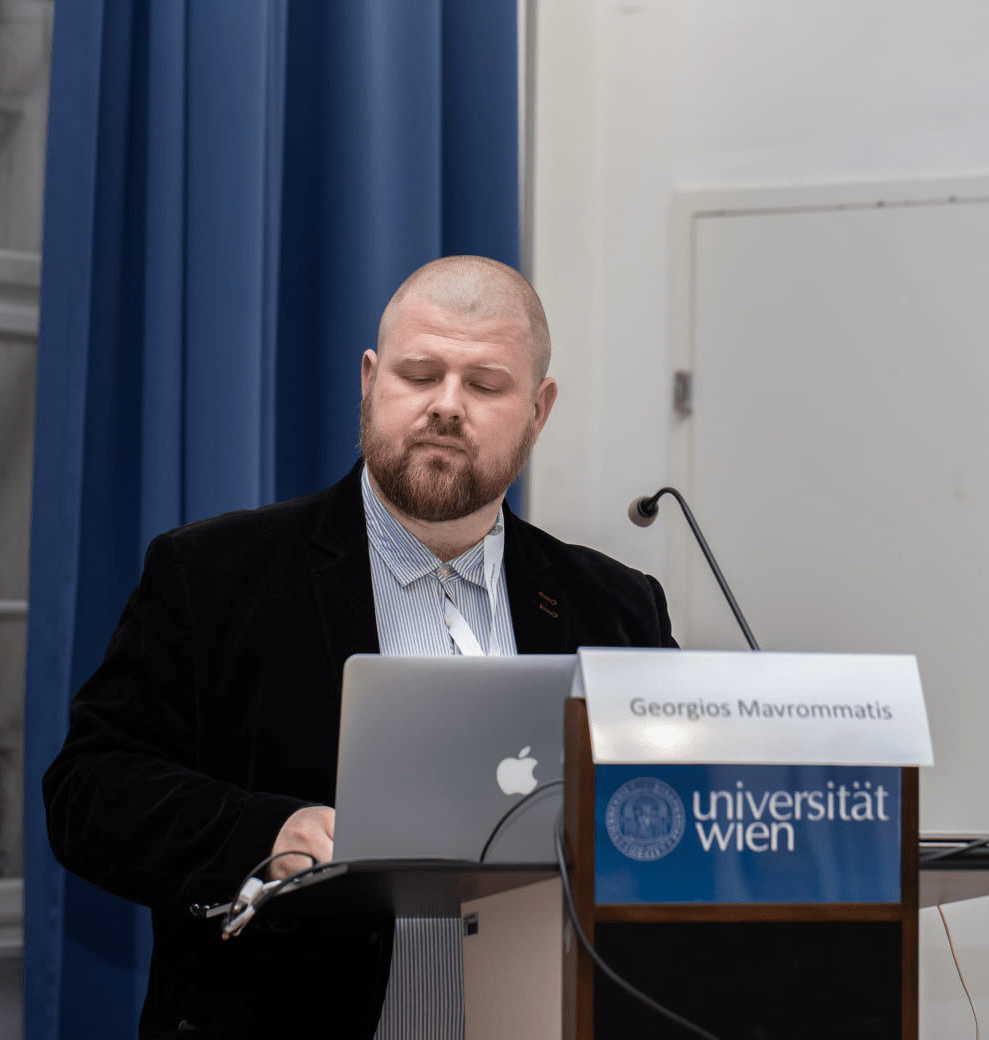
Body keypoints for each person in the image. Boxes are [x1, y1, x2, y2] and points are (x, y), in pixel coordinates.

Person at [43, 255, 677, 1038]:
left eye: (485, 385)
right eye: (420, 375)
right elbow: (89, 791)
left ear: (538, 411)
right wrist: (265, 835)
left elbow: (674, 813)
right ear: (371, 382)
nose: (447, 406)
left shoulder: (618, 608)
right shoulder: (212, 575)